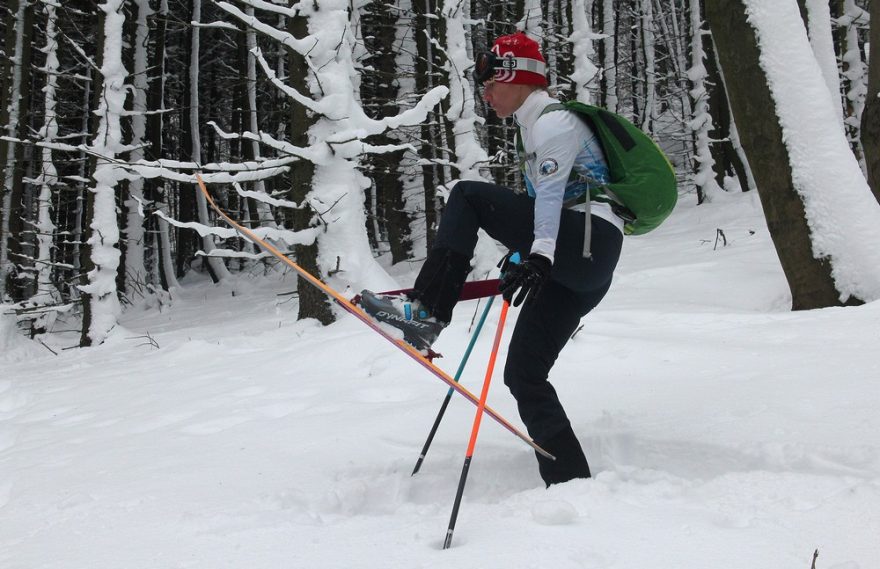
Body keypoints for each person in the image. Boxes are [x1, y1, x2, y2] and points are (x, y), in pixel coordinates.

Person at [359, 31, 624, 487]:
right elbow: (546, 200)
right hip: (585, 265)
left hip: (585, 241)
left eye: (490, 83)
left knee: (467, 196)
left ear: (515, 77)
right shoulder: (536, 128)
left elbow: (552, 200)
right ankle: (572, 482)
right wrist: (524, 257)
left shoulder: (553, 124)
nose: (485, 94)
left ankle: (424, 314)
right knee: (523, 375)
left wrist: (538, 255)